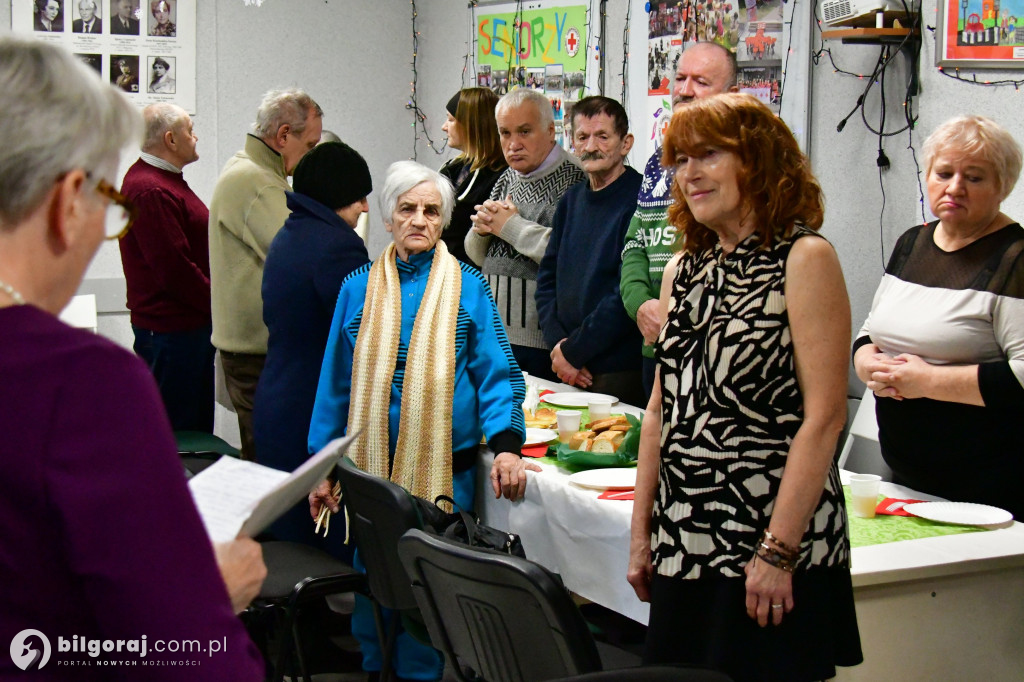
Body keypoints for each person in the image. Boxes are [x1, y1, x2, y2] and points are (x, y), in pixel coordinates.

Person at [0, 37, 264, 679]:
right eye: (103, 202)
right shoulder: (77, 382)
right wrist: (211, 593)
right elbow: (185, 651)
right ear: (67, 201)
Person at [627, 93, 862, 681]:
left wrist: (777, 552)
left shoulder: (804, 258)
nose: (690, 174)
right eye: (681, 160)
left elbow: (825, 417)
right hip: (686, 534)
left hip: (769, 540)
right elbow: (659, 413)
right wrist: (641, 537)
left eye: (709, 154)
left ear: (757, 161)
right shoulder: (684, 267)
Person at [308, 160, 538, 682]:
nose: (418, 220)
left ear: (443, 221)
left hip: (444, 477)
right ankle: (376, 669)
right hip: (369, 474)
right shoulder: (357, 287)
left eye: (431, 211)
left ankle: (420, 676)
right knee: (374, 580)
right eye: (407, 209)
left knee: (430, 589)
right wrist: (321, 465)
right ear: (388, 216)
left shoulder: (469, 286)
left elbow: (498, 375)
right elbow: (334, 384)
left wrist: (507, 446)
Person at [853, 115, 1024, 518]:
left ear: (1003, 186)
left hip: (991, 486)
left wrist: (928, 382)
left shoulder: (1015, 259)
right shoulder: (912, 242)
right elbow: (872, 329)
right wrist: (865, 362)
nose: (955, 188)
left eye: (974, 177)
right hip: (907, 475)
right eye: (944, 173)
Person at [253, 141, 372, 545]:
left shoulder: (291, 233)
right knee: (320, 542)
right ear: (338, 194)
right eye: (359, 197)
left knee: (288, 536)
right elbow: (365, 332)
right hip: (311, 409)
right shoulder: (339, 246)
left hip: (278, 398)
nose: (365, 208)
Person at [208, 88, 323, 460]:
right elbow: (301, 258)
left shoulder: (250, 170)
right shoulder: (255, 182)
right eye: (310, 145)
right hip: (255, 355)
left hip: (254, 352)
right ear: (284, 135)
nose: (311, 157)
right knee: (270, 464)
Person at [621, 42, 738, 399]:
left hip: (713, 342)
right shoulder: (659, 160)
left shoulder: (739, 166)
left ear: (732, 94)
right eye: (681, 78)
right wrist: (641, 305)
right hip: (655, 341)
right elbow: (635, 244)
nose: (685, 90)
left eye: (701, 81)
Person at [465, 88, 586, 380]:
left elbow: (573, 258)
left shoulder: (576, 179)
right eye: (505, 133)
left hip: (544, 341)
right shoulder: (506, 178)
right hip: (495, 332)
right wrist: (482, 230)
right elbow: (478, 256)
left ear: (550, 131)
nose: (513, 144)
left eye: (524, 131)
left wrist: (509, 226)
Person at [536, 96, 645, 406]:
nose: (591, 146)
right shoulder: (571, 201)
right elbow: (546, 280)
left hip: (619, 370)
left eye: (602, 136)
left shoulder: (640, 199)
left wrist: (574, 351)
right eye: (582, 137)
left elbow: (626, 292)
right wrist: (559, 346)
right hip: (565, 364)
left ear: (625, 144)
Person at [118, 103, 214, 434]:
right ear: (171, 139)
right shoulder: (151, 189)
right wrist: (220, 305)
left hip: (182, 331)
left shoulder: (163, 181)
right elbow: (175, 272)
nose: (195, 137)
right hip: (172, 335)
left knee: (191, 432)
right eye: (190, 131)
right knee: (180, 436)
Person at [439, 87, 507, 265]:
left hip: (469, 273)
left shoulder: (499, 176)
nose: (444, 127)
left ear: (472, 125)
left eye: (450, 120)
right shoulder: (452, 169)